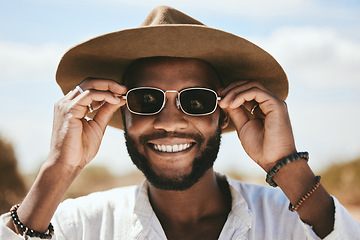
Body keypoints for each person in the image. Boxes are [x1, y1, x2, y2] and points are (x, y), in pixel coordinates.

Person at [0, 5, 359, 240]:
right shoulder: (78, 226)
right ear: (119, 112)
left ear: (224, 113)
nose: (170, 121)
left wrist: (287, 166)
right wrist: (58, 169)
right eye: (146, 99)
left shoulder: (294, 222)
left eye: (196, 100)